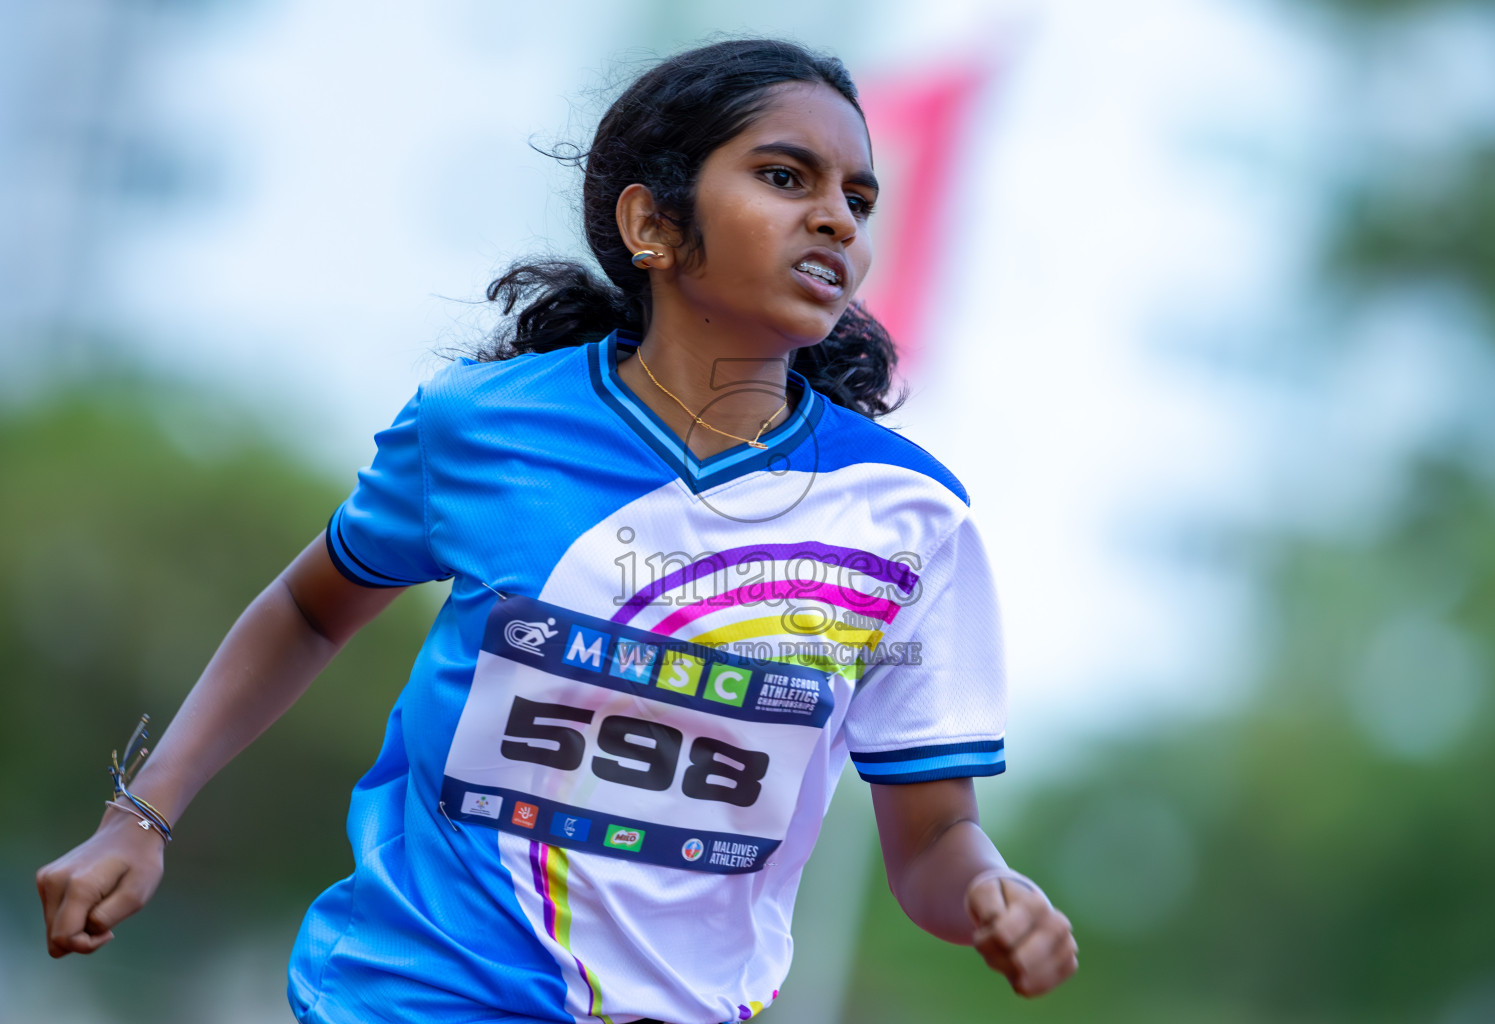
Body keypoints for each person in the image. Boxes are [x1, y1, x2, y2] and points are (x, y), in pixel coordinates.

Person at [36, 38, 1077, 1024]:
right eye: (786, 177)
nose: (839, 221)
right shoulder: (479, 426)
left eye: (858, 197)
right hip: (410, 988)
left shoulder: (910, 516)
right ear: (652, 225)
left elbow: (935, 838)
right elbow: (310, 611)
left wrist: (990, 890)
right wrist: (141, 814)